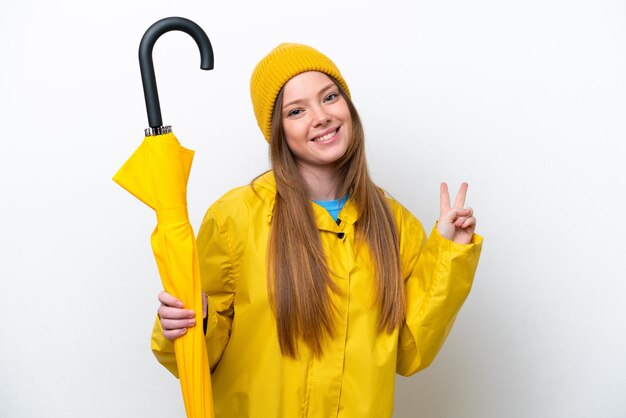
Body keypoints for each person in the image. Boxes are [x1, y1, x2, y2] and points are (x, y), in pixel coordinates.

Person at [151, 43, 483, 418]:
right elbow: (196, 361)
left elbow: (408, 351)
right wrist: (194, 322)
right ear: (278, 131)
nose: (321, 116)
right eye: (296, 110)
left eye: (329, 97)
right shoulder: (235, 219)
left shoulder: (394, 224)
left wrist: (449, 255)